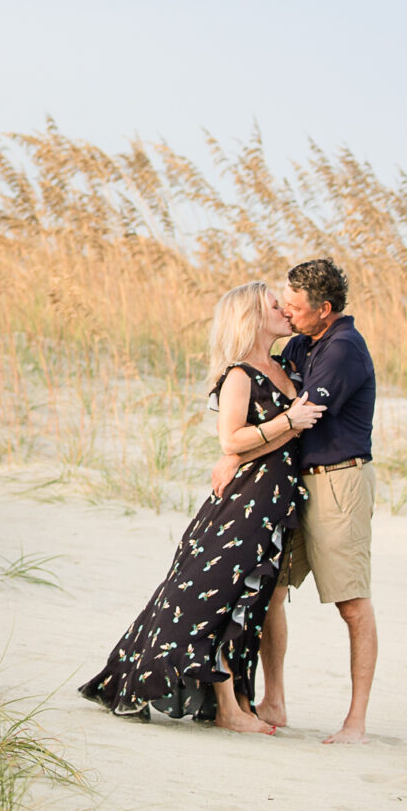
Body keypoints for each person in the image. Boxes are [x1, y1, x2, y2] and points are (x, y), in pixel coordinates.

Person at [78, 282, 325, 732]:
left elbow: (267, 441)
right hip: (246, 502)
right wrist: (287, 422)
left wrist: (279, 432)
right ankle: (228, 710)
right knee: (220, 597)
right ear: (252, 317)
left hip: (276, 501)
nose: (285, 311)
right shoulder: (239, 375)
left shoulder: (288, 366)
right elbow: (231, 439)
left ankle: (240, 704)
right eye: (275, 305)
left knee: (254, 600)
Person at [237, 258, 379, 743]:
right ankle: (274, 699)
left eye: (295, 308)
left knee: (352, 604)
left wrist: (233, 455)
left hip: (339, 483)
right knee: (272, 590)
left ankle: (355, 723)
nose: (288, 313)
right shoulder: (304, 340)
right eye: (285, 305)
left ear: (324, 308)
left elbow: (300, 418)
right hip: (297, 484)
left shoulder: (343, 350)